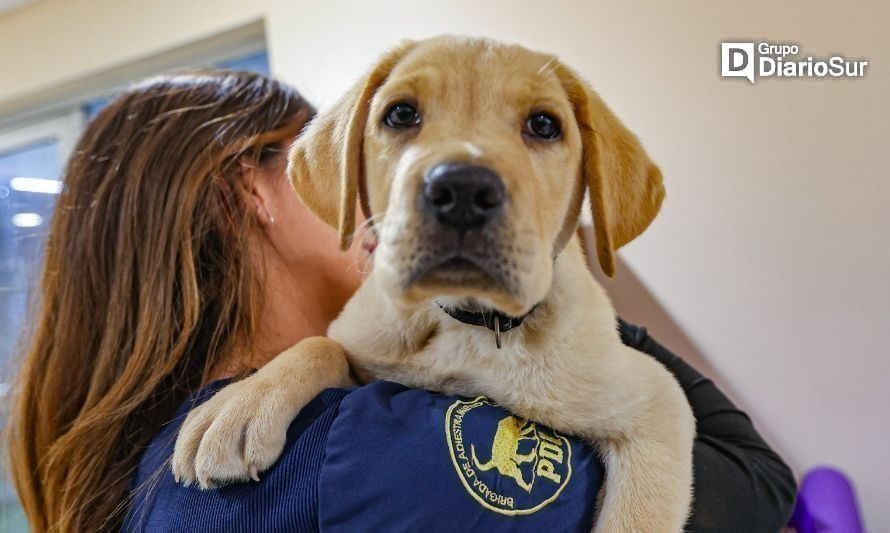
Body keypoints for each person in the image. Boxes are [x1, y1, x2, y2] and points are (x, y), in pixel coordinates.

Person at [8, 70, 796, 533]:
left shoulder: (169, 458)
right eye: (324, 153)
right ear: (249, 190)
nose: (371, 189)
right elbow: (754, 489)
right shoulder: (355, 451)